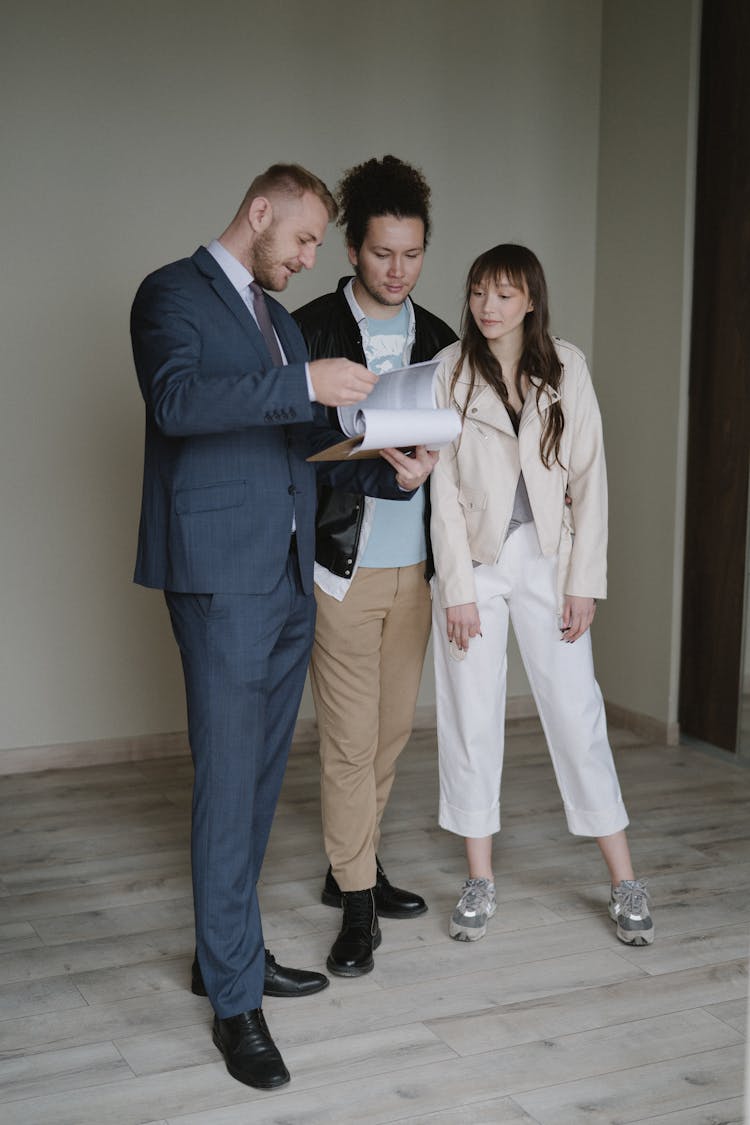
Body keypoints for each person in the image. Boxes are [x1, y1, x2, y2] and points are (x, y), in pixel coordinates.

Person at [130, 163, 436, 1091]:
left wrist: (388, 464)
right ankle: (234, 1001)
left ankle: (229, 950)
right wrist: (305, 377)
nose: (308, 259)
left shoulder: (275, 318)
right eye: (302, 239)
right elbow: (178, 404)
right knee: (229, 784)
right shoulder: (170, 294)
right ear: (259, 212)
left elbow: (293, 438)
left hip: (286, 575)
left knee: (260, 780)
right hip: (220, 576)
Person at [429, 243, 654, 949]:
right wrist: (456, 587)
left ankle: (623, 880)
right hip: (475, 561)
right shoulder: (449, 371)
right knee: (471, 714)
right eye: (477, 293)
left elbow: (591, 480)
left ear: (530, 298)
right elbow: (439, 489)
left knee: (576, 712)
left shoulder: (567, 366)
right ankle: (479, 878)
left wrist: (583, 580)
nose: (487, 307)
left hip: (548, 561)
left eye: (502, 294)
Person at [293, 156, 457, 976]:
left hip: (416, 569)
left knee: (392, 733)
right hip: (341, 567)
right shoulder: (310, 328)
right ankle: (357, 905)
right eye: (383, 252)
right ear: (352, 248)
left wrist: (435, 467)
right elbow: (288, 448)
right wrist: (372, 456)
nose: (399, 270)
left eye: (413, 253)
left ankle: (349, 864)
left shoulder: (441, 341)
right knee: (349, 743)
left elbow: (465, 453)